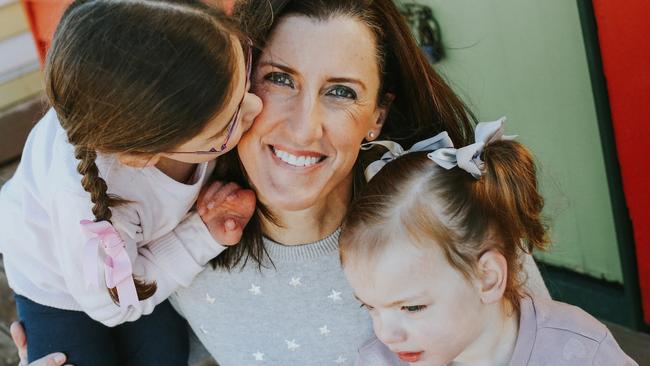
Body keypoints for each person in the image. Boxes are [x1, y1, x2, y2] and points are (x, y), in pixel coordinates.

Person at [11, 0, 549, 364]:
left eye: (341, 91)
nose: (302, 126)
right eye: (279, 79)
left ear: (377, 117)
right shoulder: (178, 226)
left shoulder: (446, 210)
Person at [0, 0, 260, 365]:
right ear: (142, 156)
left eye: (246, 76)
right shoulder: (90, 204)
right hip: (58, 286)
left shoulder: (166, 106)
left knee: (167, 356)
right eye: (224, 127)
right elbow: (113, 307)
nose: (256, 108)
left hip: (127, 256)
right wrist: (202, 234)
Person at [340, 120, 637, 366]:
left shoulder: (577, 349)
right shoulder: (379, 362)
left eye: (412, 307)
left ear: (487, 277)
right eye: (371, 307)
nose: (386, 335)